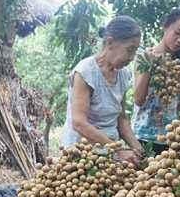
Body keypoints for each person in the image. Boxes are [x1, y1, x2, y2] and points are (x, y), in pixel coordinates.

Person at [61, 16, 143, 165]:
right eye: (130, 50)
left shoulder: (123, 75)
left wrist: (138, 149)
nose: (132, 57)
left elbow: (122, 119)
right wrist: (118, 150)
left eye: (135, 51)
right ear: (110, 42)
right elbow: (79, 123)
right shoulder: (86, 71)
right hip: (81, 154)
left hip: (109, 153)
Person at [132, 7, 180, 155]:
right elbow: (138, 99)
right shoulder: (145, 57)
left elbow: (175, 106)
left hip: (170, 138)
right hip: (142, 137)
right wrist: (150, 67)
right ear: (166, 26)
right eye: (177, 32)